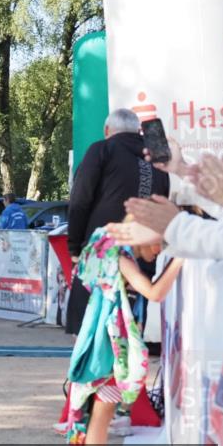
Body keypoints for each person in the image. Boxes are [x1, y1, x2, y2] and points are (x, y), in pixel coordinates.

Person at [62, 222, 183, 446]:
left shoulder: (110, 254)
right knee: (102, 414)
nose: (157, 250)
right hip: (108, 349)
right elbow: (153, 292)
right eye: (157, 243)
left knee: (100, 413)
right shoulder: (122, 259)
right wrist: (180, 261)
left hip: (103, 345)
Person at [65, 108, 169, 334]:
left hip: (103, 253)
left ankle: (99, 369)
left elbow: (80, 200)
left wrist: (74, 247)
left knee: (90, 329)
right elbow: (164, 201)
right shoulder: (157, 158)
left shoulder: (101, 149)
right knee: (130, 328)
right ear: (138, 130)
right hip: (142, 256)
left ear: (107, 130)